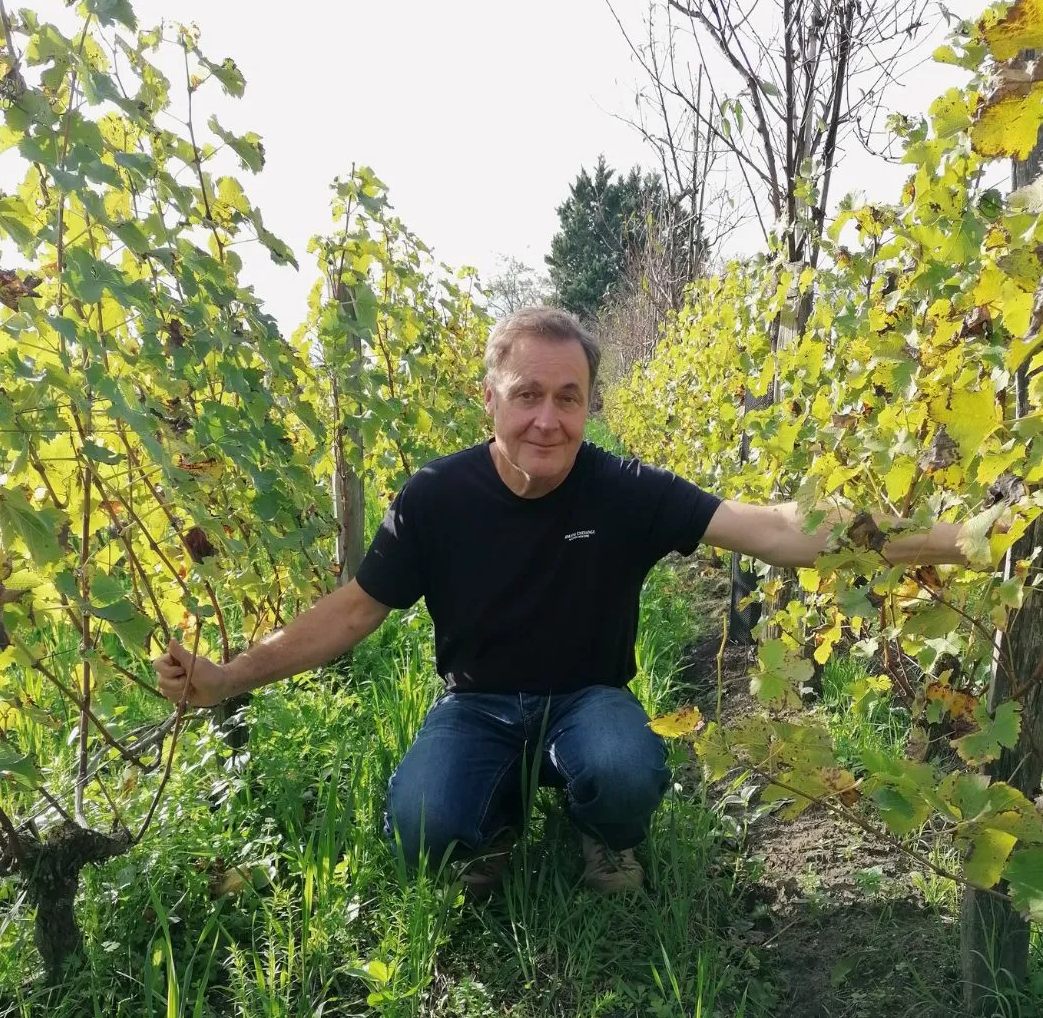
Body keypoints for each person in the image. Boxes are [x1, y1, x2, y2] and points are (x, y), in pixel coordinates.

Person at [153, 306, 976, 896]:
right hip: (475, 705)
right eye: (527, 394)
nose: (548, 420)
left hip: (590, 699)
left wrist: (959, 538)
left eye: (569, 397)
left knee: (624, 771)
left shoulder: (623, 490)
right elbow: (353, 611)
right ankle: (497, 817)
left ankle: (601, 831)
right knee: (420, 831)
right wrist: (230, 677)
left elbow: (776, 529)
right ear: (491, 401)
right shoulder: (437, 496)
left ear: (590, 404)